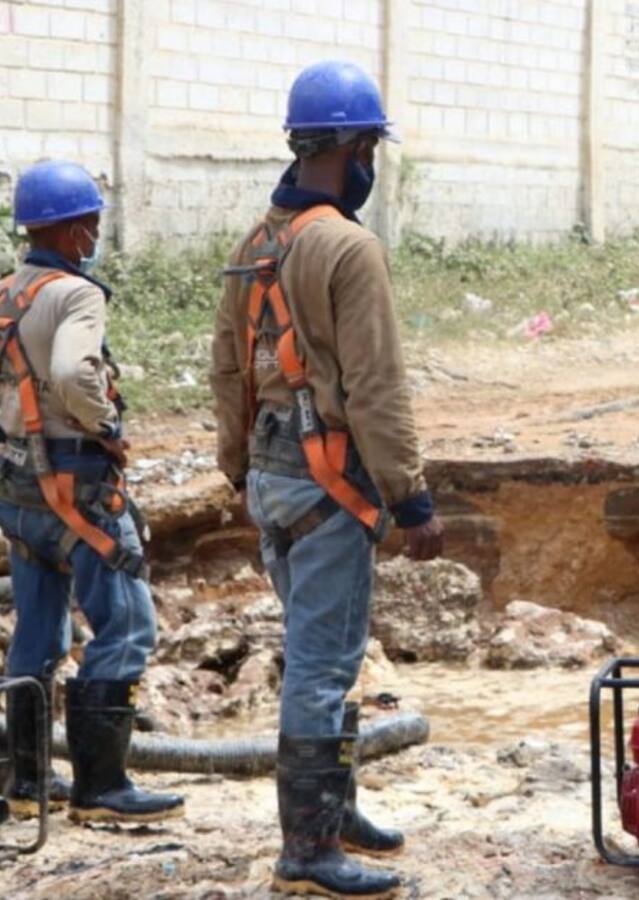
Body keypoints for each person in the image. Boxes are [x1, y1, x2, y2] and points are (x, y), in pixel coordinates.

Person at [210, 60, 444, 897]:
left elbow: (228, 373)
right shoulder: (348, 247)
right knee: (320, 670)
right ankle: (306, 850)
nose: (371, 161)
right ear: (349, 148)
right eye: (370, 146)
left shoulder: (257, 244)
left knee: (327, 654)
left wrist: (237, 470)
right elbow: (378, 386)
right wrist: (411, 498)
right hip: (330, 484)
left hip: (273, 482)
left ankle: (334, 812)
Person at [0, 161, 184, 825]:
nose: (94, 231)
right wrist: (105, 422)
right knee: (124, 627)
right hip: (80, 496)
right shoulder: (76, 296)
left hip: (20, 497)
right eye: (89, 221)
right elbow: (70, 369)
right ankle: (102, 789)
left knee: (37, 635)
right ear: (71, 230)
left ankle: (33, 781)